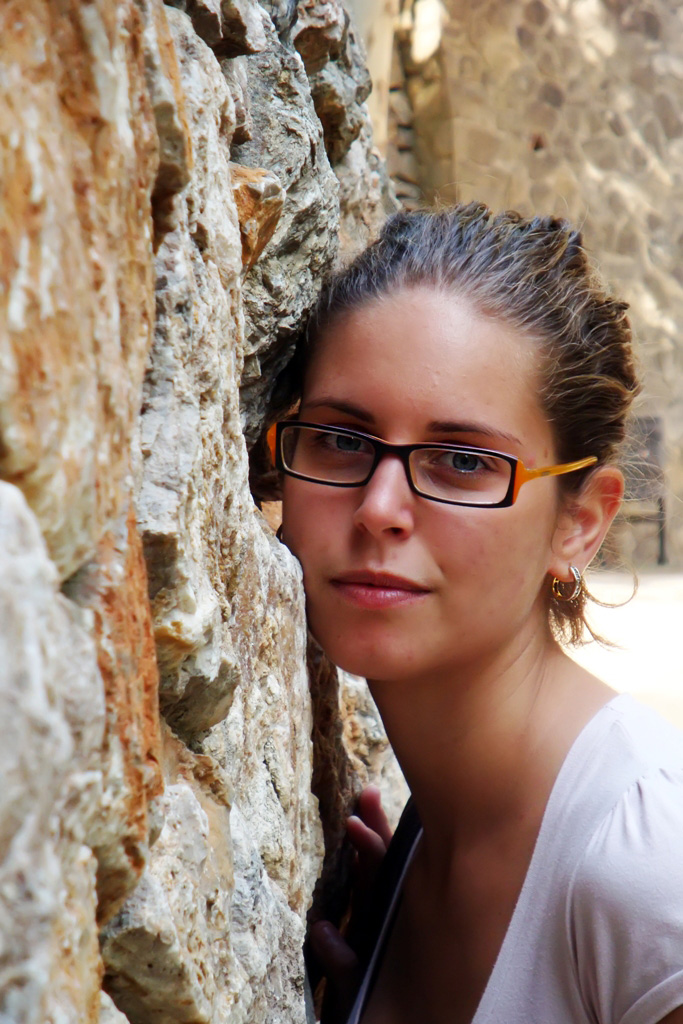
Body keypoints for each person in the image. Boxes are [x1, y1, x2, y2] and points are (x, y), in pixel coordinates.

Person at [265, 204, 683, 1024]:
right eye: (342, 441)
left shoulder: (644, 870)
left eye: (461, 461)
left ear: (579, 522)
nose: (379, 509)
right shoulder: (412, 858)